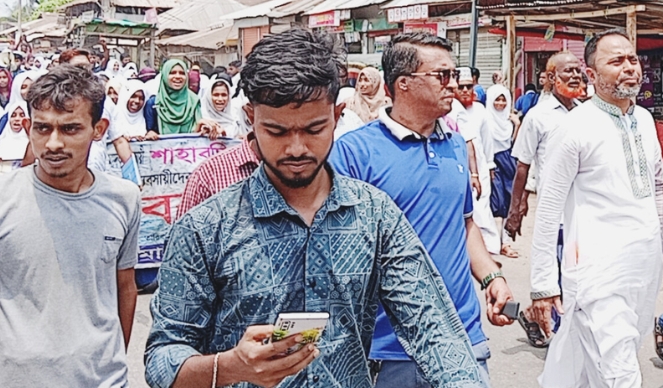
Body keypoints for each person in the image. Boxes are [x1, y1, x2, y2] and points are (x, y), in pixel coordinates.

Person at [145, 29, 485, 388]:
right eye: (276, 131)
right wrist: (229, 367)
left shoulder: (375, 216)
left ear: (337, 115)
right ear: (250, 117)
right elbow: (162, 359)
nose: (295, 149)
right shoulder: (205, 229)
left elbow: (433, 330)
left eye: (313, 129)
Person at [330, 32, 515, 387]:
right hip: (389, 349)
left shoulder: (455, 146)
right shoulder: (353, 154)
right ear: (403, 84)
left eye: (455, 74)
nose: (456, 85)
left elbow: (464, 225)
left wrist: (493, 278)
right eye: (442, 76)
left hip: (462, 336)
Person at [528, 30, 663, 387]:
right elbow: (548, 209)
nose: (629, 68)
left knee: (599, 370)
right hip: (597, 272)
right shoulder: (574, 127)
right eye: (616, 61)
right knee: (621, 374)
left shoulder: (646, 122)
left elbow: (657, 195)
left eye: (632, 59)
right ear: (591, 75)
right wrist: (543, 284)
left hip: (643, 268)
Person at [0, 65, 140, 387]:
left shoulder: (124, 199)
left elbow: (125, 287)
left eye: (70, 129)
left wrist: (110, 365)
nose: (53, 143)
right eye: (42, 129)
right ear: (28, 127)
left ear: (99, 129)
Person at [505, 50, 584, 347]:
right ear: (550, 79)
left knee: (572, 278)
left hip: (583, 209)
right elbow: (522, 166)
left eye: (578, 70)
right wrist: (516, 209)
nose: (576, 76)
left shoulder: (585, 112)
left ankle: (531, 314)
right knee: (562, 277)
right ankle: (565, 343)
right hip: (555, 211)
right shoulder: (537, 116)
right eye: (568, 72)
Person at [451, 67, 502, 257]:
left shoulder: (480, 110)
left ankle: (488, 248)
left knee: (481, 206)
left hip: (479, 166)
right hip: (457, 164)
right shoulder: (450, 109)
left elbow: (486, 141)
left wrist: (489, 165)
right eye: (461, 87)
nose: (465, 91)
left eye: (468, 87)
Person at [485, 84, 519, 259]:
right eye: (496, 99)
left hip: (508, 162)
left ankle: (505, 242)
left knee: (508, 201)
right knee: (493, 202)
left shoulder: (510, 122)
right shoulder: (486, 120)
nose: (500, 103)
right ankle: (490, 243)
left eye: (503, 99)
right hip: (492, 162)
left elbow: (514, 144)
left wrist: (517, 125)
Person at [144, 59, 202, 136]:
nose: (177, 76)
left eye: (182, 73)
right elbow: (148, 133)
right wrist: (149, 133)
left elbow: (198, 135)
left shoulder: (194, 101)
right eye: (172, 73)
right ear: (164, 75)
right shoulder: (154, 104)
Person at [198, 74, 243, 139]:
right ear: (209, 96)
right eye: (216, 95)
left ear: (229, 97)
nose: (220, 99)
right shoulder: (201, 115)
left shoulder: (236, 118)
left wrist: (224, 133)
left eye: (224, 95)